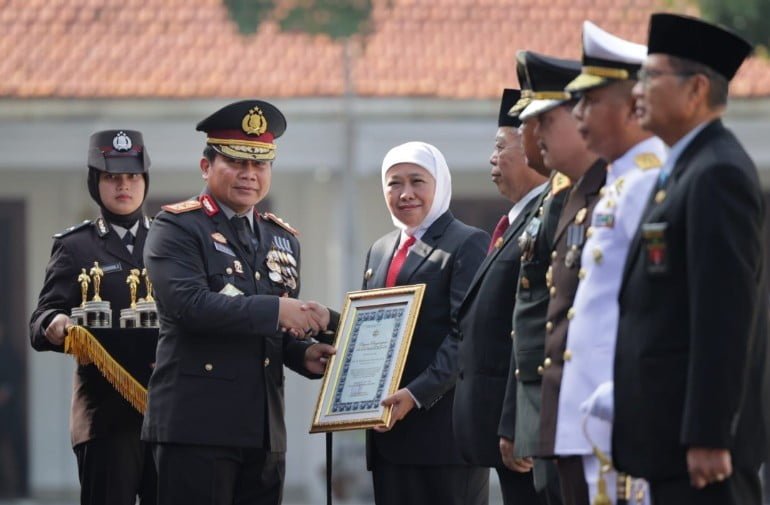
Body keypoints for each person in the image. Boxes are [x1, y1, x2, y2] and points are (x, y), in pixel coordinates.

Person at [141, 100, 336, 505]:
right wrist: (276, 311)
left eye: (260, 165)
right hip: (196, 428)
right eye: (236, 162)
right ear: (205, 166)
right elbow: (189, 306)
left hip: (264, 430)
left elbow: (269, 332)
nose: (249, 175)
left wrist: (303, 354)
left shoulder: (282, 238)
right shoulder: (176, 227)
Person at [614, 13, 767, 505]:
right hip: (669, 439)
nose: (637, 90)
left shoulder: (717, 174)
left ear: (696, 88)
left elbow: (725, 315)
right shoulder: (682, 172)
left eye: (650, 76)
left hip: (700, 452)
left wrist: (709, 433)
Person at [553, 21, 667, 505]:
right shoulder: (620, 184)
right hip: (592, 414)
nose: (578, 113)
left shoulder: (648, 183)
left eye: (591, 101)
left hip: (621, 410)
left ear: (633, 106)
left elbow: (658, 304)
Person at [29, 130, 157, 505]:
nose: (124, 185)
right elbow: (40, 319)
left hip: (168, 412)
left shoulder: (172, 240)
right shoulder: (75, 246)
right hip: (106, 418)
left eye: (133, 176)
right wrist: (55, 325)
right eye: (112, 177)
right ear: (95, 182)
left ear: (145, 181)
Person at [361, 141, 489, 505]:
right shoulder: (380, 249)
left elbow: (465, 334)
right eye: (394, 183)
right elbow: (373, 328)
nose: (406, 194)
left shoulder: (466, 243)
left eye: (418, 181)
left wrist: (417, 394)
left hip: (443, 435)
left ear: (440, 184)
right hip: (387, 433)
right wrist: (327, 325)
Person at [518, 48, 608, 505]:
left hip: (601, 418)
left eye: (544, 121)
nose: (532, 135)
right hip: (562, 414)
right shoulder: (571, 198)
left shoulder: (612, 193)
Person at [452, 89, 546, 505]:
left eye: (499, 146)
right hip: (497, 428)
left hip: (524, 431)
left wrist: (518, 422)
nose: (492, 158)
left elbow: (528, 330)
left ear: (530, 147)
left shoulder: (544, 218)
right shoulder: (515, 221)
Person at [500, 50, 575, 505]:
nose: (529, 136)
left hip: (572, 407)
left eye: (540, 122)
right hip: (541, 404)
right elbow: (527, 321)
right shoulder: (556, 197)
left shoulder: (587, 197)